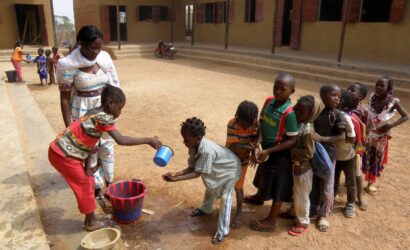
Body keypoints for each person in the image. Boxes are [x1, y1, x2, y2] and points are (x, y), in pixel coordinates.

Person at [48, 85, 162, 231]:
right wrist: (148, 140)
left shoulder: (92, 113)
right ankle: (91, 223)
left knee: (89, 179)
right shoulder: (104, 118)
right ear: (110, 103)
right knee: (84, 185)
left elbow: (90, 143)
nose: (120, 113)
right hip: (63, 156)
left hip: (58, 151)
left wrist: (88, 168)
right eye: (120, 108)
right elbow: (121, 140)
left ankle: (91, 217)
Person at [57, 25, 121, 197]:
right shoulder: (68, 65)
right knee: (89, 151)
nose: (96, 52)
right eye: (92, 47)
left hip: (105, 112)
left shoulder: (104, 58)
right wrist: (69, 127)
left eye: (99, 47)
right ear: (81, 44)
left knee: (107, 147)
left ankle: (110, 183)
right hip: (83, 113)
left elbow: (114, 86)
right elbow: (64, 98)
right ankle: (97, 187)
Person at [162, 117, 241, 244]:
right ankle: (206, 209)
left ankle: (222, 231)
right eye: (183, 138)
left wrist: (176, 180)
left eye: (186, 139)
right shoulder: (193, 145)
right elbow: (192, 167)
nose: (184, 142)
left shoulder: (206, 151)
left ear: (197, 138)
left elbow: (197, 173)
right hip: (220, 166)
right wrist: (176, 174)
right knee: (211, 184)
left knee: (226, 197)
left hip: (231, 169)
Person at [246, 73, 299, 232]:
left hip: (280, 153)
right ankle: (259, 197)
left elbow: (292, 140)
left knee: (278, 185)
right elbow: (262, 122)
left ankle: (271, 220)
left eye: (283, 89)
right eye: (276, 87)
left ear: (292, 91)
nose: (277, 92)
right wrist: (257, 144)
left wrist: (268, 150)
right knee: (263, 173)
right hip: (267, 148)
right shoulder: (269, 101)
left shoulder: (289, 114)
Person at [362, 77, 408, 194]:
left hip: (381, 135)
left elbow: (406, 116)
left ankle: (371, 183)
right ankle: (355, 179)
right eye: (377, 84)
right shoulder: (372, 97)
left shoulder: (393, 102)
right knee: (364, 154)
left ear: (389, 88)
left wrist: (390, 125)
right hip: (369, 132)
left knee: (376, 157)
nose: (378, 87)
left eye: (382, 85)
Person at [312, 84, 346, 232]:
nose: (337, 98)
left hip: (329, 156)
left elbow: (342, 135)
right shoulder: (315, 111)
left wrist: (322, 139)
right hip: (312, 154)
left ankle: (323, 215)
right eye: (333, 95)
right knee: (312, 183)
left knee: (327, 187)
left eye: (339, 96)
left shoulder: (338, 114)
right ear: (322, 95)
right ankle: (312, 209)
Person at [288, 95, 324, 236]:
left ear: (311, 114)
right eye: (296, 108)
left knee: (301, 196)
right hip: (296, 167)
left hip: (303, 169)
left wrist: (290, 149)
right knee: (295, 192)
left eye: (301, 112)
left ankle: (303, 221)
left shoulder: (307, 130)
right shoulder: (299, 124)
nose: (296, 112)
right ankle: (292, 213)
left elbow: (308, 153)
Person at [225, 100, 259, 228]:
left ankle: (238, 212)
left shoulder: (255, 124)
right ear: (237, 117)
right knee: (224, 185)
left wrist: (256, 147)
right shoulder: (232, 123)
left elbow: (257, 137)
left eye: (250, 123)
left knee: (238, 188)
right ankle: (209, 207)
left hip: (243, 162)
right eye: (244, 123)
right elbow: (235, 147)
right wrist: (253, 150)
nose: (247, 126)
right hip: (229, 159)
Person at [334, 90, 357, 218]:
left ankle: (350, 203)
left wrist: (338, 137)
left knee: (350, 180)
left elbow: (352, 137)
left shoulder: (345, 117)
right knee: (334, 178)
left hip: (347, 155)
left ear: (342, 102)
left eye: (338, 97)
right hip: (335, 154)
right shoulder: (330, 113)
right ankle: (331, 198)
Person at [347, 82, 369, 210]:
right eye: (348, 88)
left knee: (357, 172)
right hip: (343, 145)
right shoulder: (342, 106)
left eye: (352, 90)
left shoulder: (363, 110)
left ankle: (360, 197)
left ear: (360, 96)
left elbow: (367, 127)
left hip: (357, 146)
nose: (348, 90)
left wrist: (361, 147)